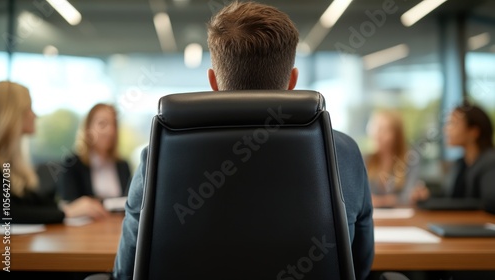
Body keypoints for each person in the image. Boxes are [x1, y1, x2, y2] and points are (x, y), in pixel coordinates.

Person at [112, 2, 374, 280]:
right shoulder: (343, 152)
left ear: (213, 82)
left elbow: (127, 270)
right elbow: (357, 267)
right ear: (293, 80)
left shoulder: (159, 157)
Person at [0, 81, 109, 224]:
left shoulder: (9, 163)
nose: (35, 115)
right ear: (11, 115)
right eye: (29, 108)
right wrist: (67, 212)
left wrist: (70, 207)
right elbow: (6, 212)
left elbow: (29, 202)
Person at [57, 103, 131, 203]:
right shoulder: (72, 163)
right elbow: (68, 203)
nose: (110, 131)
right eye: (102, 124)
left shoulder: (123, 165)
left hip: (118, 218)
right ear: (88, 129)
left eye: (114, 124)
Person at [365, 110, 429, 208]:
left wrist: (380, 201)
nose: (377, 135)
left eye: (384, 130)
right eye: (375, 128)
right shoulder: (366, 160)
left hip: (402, 218)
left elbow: (410, 196)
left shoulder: (410, 160)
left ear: (396, 135)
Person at [442, 102, 495, 213]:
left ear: (473, 132)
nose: (446, 129)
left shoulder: (490, 162)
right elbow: (451, 198)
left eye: (453, 123)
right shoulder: (461, 163)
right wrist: (427, 197)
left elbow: (490, 202)